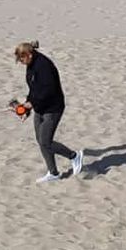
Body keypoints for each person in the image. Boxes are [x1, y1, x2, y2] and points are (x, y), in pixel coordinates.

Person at [13, 41, 85, 184]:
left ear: (29, 54)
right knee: (41, 141)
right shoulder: (30, 65)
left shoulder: (44, 66)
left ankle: (74, 156)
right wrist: (26, 108)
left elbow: (48, 90)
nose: (21, 62)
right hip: (40, 108)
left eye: (22, 59)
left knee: (46, 141)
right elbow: (34, 89)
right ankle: (53, 173)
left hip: (53, 108)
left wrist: (31, 103)